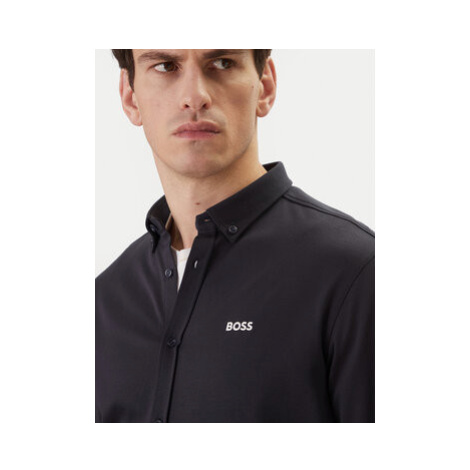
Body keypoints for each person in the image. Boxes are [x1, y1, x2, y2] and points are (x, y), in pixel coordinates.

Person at [95, 49, 375, 423]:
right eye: (165, 66)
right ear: (130, 97)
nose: (194, 96)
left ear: (265, 86)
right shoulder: (103, 301)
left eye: (222, 63)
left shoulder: (356, 274)